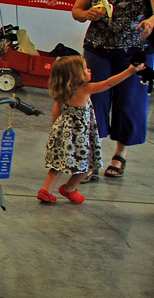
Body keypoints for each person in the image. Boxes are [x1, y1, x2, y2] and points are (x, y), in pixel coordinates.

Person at [70, 0, 154, 179]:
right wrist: (88, 14)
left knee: (130, 103)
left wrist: (151, 20)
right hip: (99, 48)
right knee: (94, 103)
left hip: (136, 49)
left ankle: (121, 154)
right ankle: (93, 158)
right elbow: (77, 11)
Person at [38, 55, 144, 205]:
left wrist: (57, 132)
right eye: (84, 69)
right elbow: (108, 84)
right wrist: (130, 71)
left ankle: (46, 191)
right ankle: (70, 188)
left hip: (63, 136)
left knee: (57, 165)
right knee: (88, 166)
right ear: (74, 76)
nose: (88, 70)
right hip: (80, 138)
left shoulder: (61, 92)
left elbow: (56, 114)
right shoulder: (85, 89)